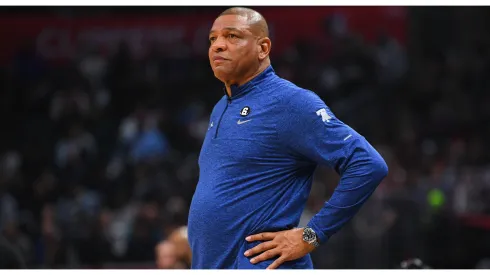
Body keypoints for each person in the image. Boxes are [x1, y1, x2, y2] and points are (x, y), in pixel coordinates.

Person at [187, 7, 388, 269]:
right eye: (213, 39)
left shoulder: (290, 102)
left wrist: (311, 235)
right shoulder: (221, 106)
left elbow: (369, 164)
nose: (218, 46)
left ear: (263, 48)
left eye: (232, 36)